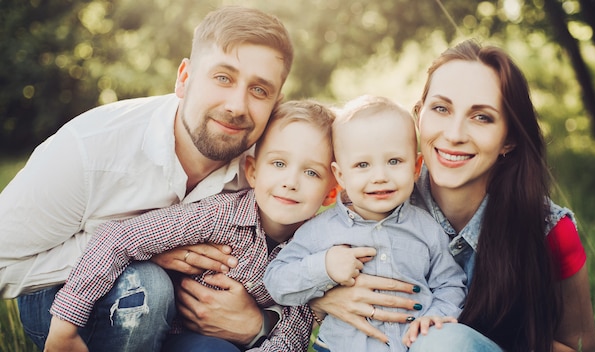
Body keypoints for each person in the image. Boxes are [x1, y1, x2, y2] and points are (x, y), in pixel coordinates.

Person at [0, 6, 294, 351]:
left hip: (184, 311)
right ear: (184, 78)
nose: (237, 106)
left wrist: (264, 322)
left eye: (260, 90)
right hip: (67, 299)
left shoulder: (270, 168)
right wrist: (140, 250)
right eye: (223, 77)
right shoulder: (89, 149)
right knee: (146, 288)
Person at [308, 40, 595, 352]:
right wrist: (322, 298)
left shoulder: (547, 230)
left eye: (482, 117)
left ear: (509, 140)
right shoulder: (369, 202)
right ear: (419, 116)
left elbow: (577, 345)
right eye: (441, 109)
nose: (455, 134)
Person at [43, 100, 338, 352]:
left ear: (331, 191)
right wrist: (65, 325)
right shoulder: (218, 215)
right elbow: (119, 237)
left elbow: (295, 332)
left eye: (311, 172)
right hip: (156, 329)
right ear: (253, 172)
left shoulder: (315, 252)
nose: (291, 182)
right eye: (279, 164)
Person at [264, 95, 466, 351]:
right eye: (362, 165)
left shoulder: (428, 229)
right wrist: (323, 266)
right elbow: (276, 280)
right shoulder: (320, 231)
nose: (380, 177)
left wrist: (436, 314)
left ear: (416, 167)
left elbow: (450, 282)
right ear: (340, 176)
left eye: (394, 161)